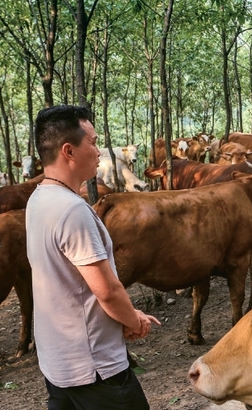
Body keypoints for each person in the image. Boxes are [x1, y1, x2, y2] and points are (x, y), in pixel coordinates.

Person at [26, 105, 160, 409]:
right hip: (94, 367)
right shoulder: (73, 211)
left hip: (58, 361)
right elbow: (108, 292)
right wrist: (134, 320)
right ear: (68, 151)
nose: (99, 151)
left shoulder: (39, 199)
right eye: (93, 142)